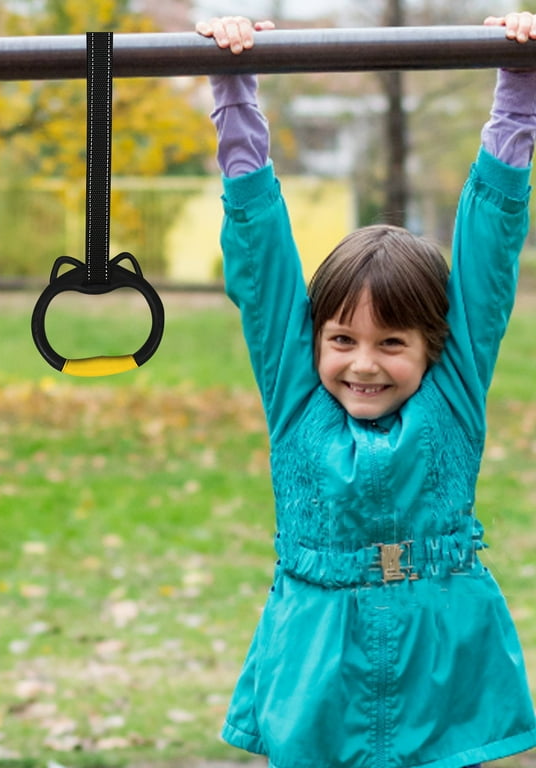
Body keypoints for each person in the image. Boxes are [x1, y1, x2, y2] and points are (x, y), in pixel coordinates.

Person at [196, 11, 536, 768]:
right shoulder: (296, 398)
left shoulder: (453, 390)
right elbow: (260, 257)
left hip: (441, 646)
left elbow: (491, 251)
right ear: (315, 338)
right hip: (320, 652)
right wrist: (233, 88)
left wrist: (519, 87)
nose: (363, 365)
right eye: (342, 340)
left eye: (393, 344)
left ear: (434, 347)